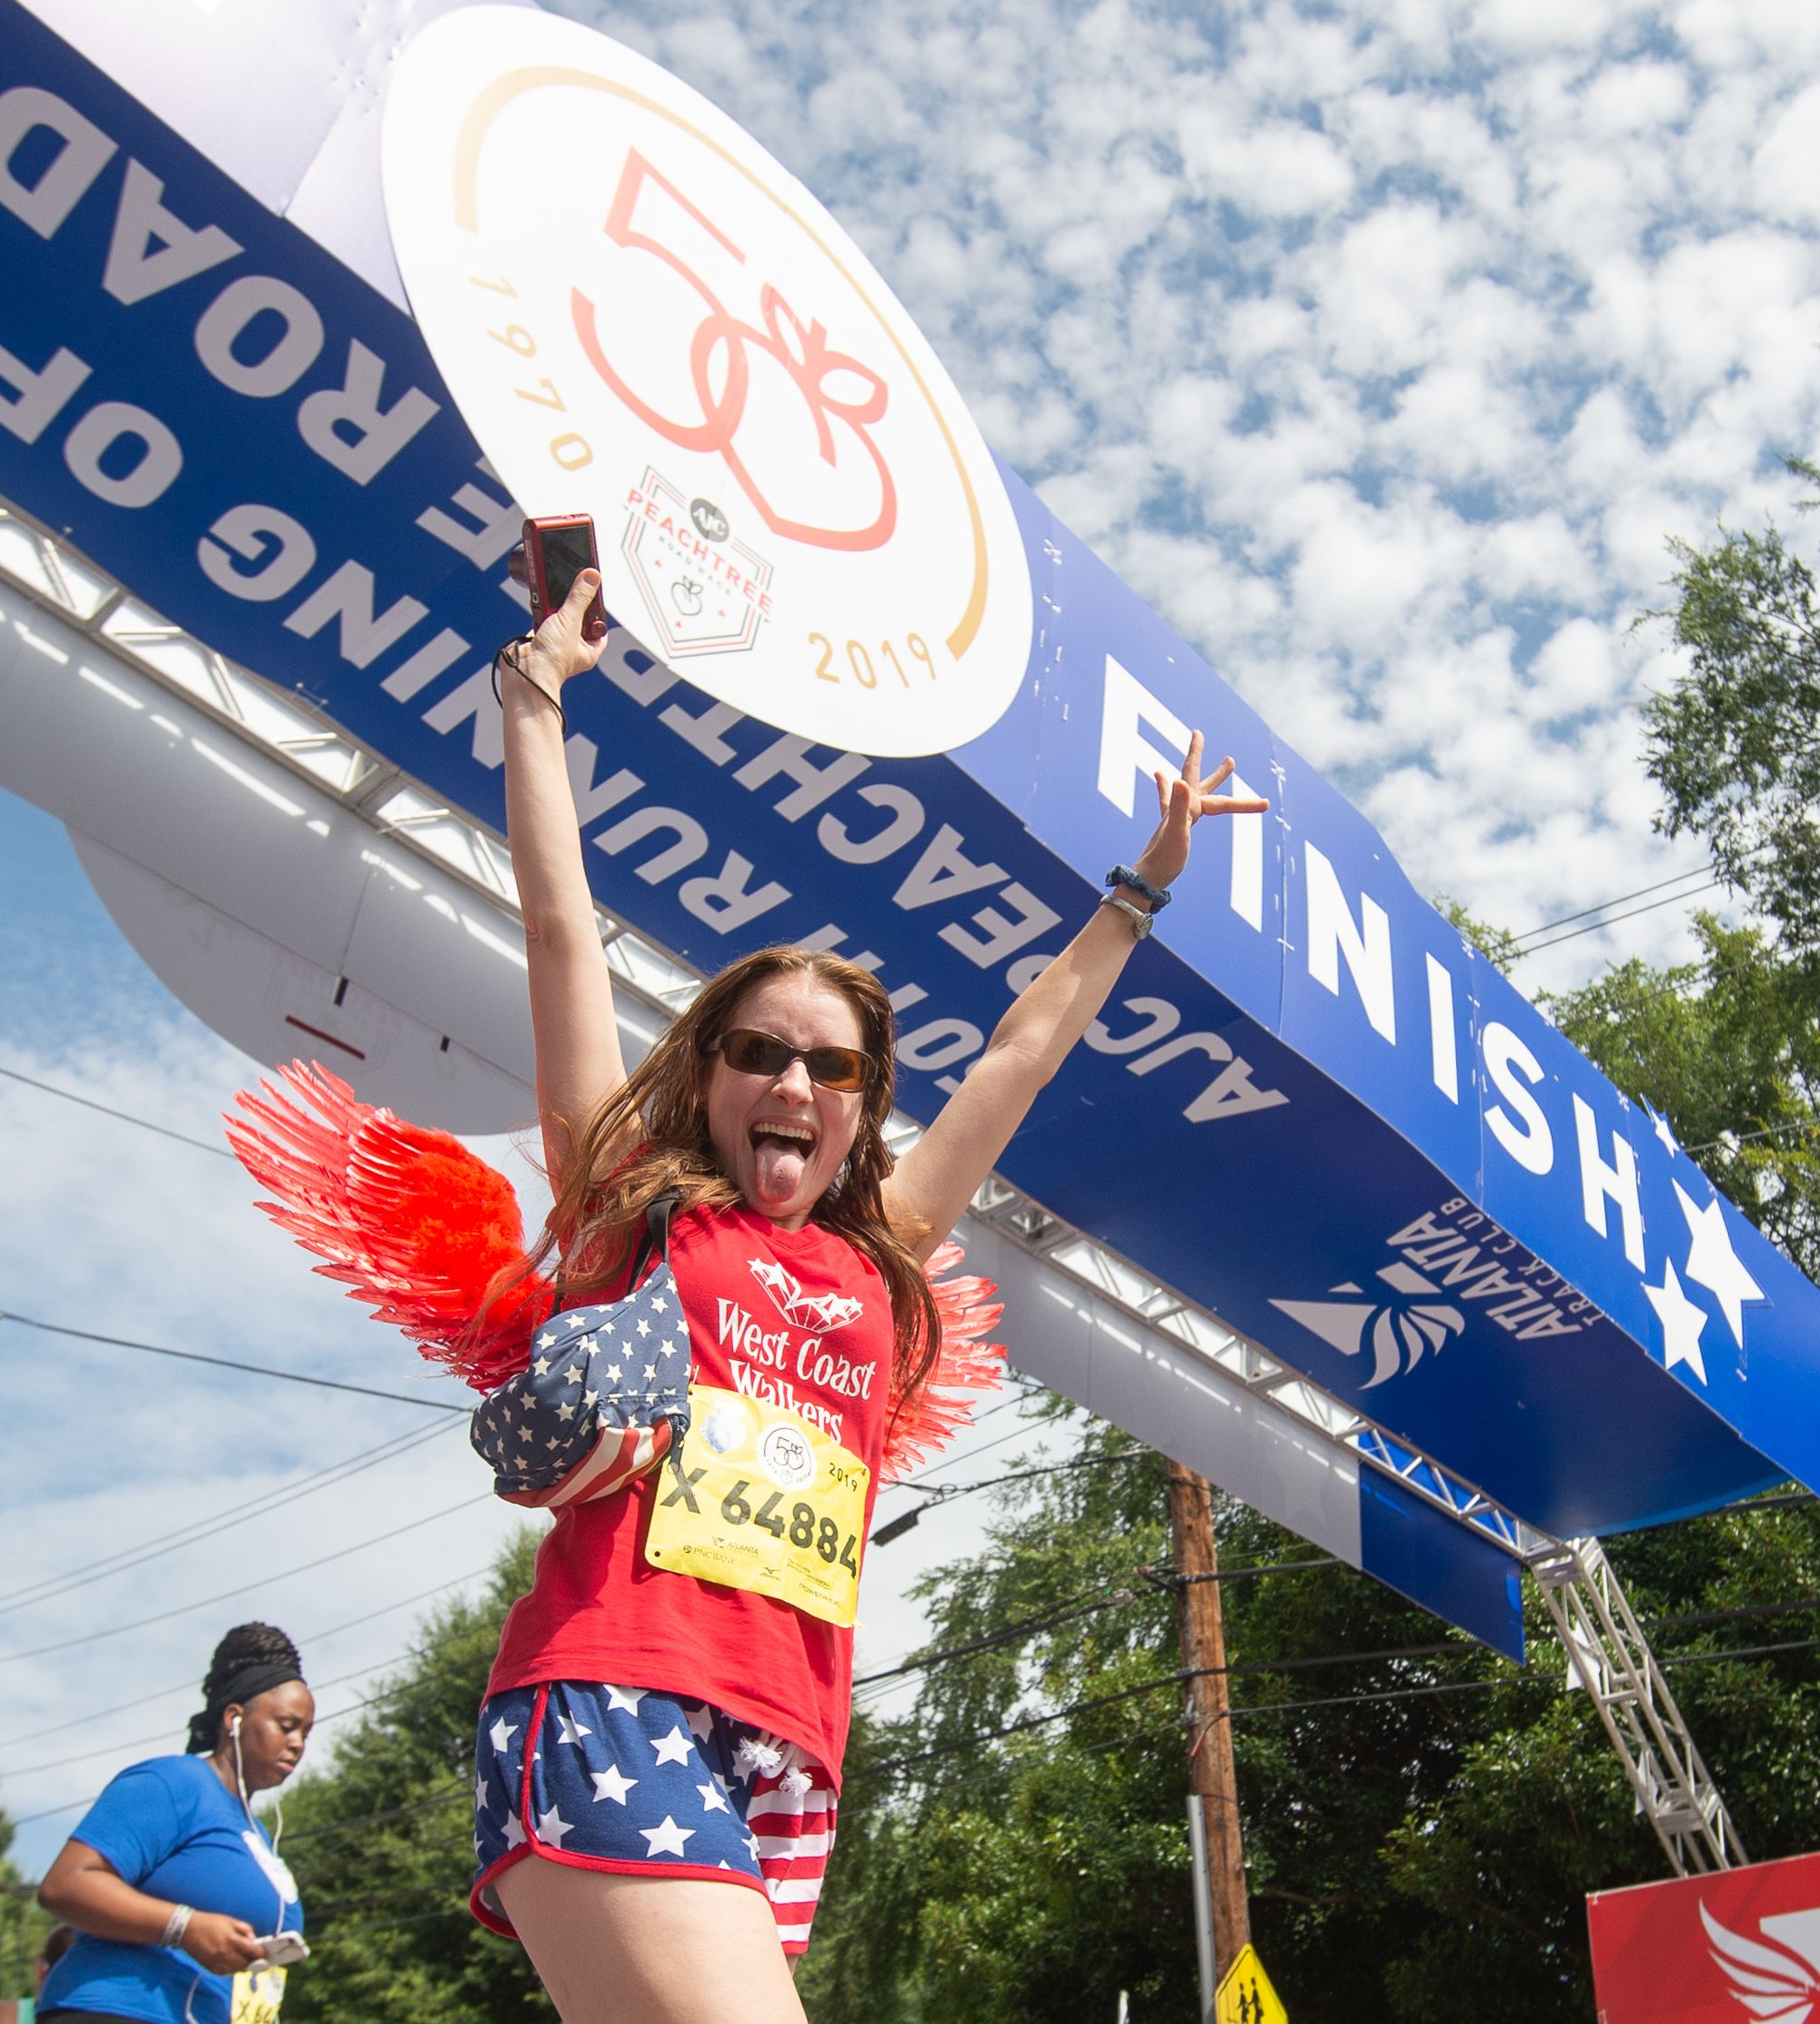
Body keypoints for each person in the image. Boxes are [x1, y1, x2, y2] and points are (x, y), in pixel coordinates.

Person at [231, 568, 1263, 2023]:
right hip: (611, 1698)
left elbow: (1020, 1058)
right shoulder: (623, 1203)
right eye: (760, 1053)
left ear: (858, 1107)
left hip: (785, 1743)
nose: (793, 1083)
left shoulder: (879, 1256)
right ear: (707, 1078)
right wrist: (532, 697)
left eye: (829, 1067)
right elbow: (558, 936)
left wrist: (1140, 887)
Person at [35, 1624, 311, 2024]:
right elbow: (66, 1884)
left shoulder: (258, 1834)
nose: (298, 1742)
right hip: (117, 2011)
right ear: (234, 1719)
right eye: (286, 1726)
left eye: (306, 1732)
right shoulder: (174, 1783)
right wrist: (185, 1926)